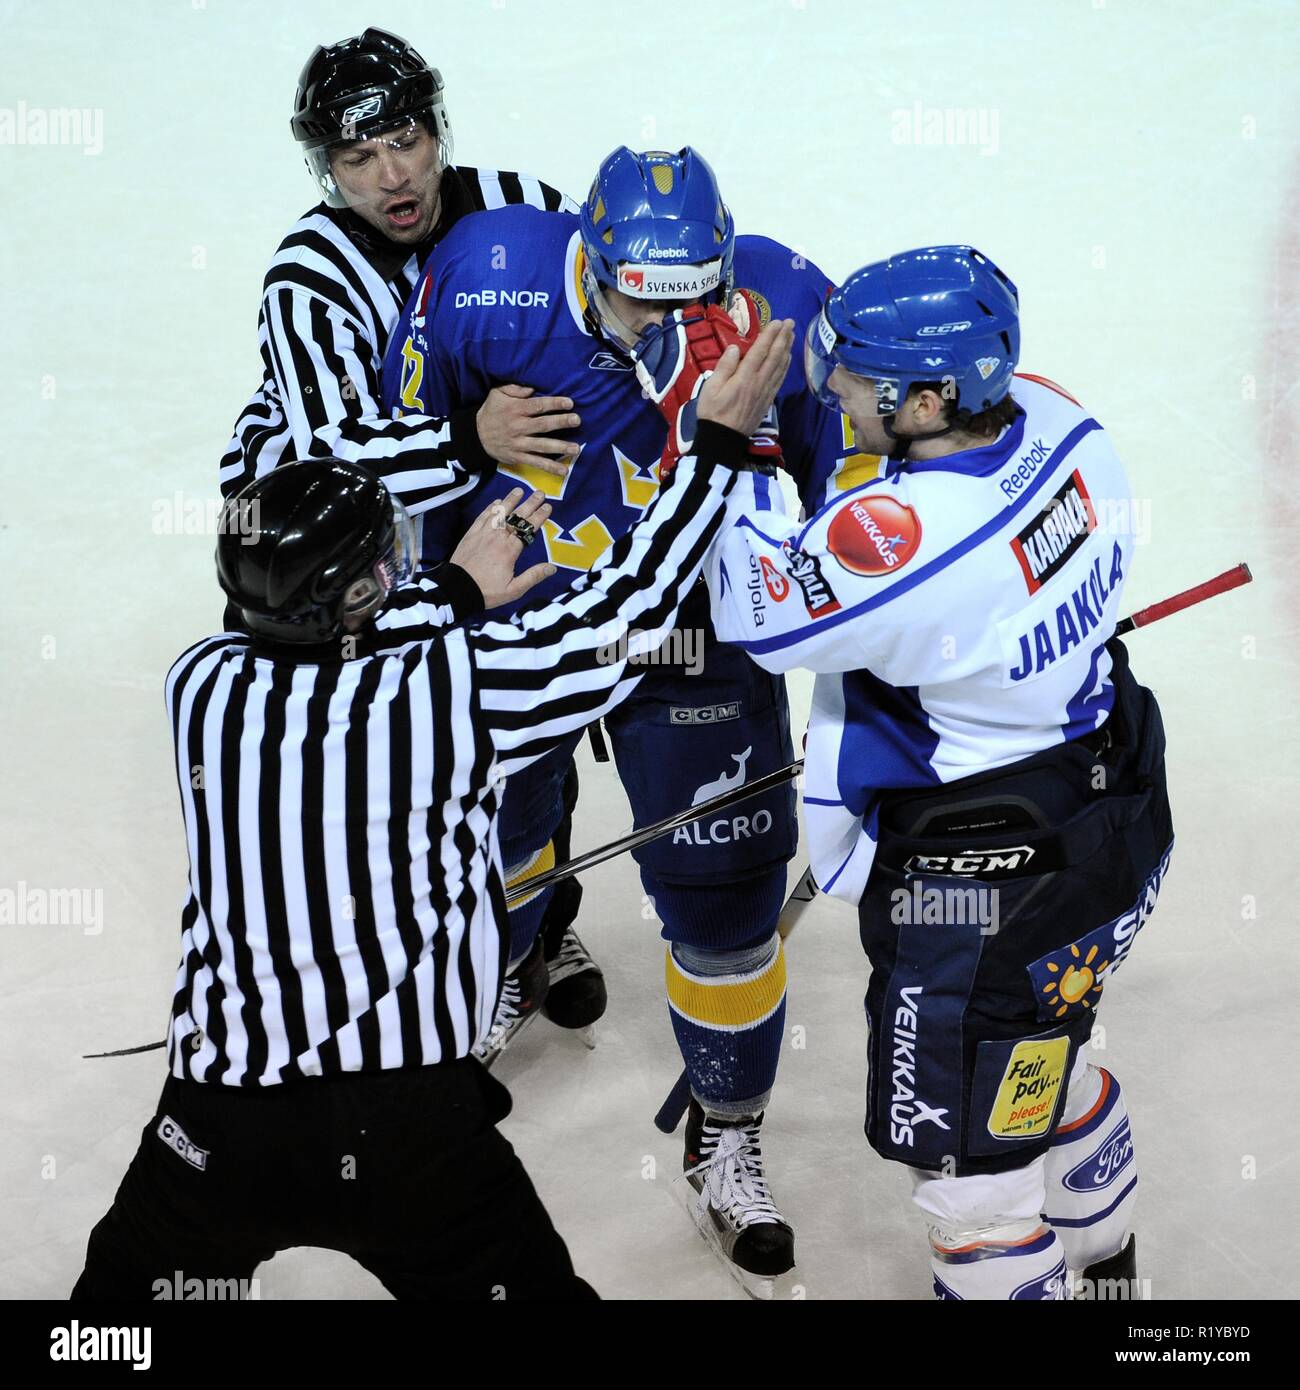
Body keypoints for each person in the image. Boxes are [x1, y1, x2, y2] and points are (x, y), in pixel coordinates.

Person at [70, 315, 797, 1301]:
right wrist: (713, 449)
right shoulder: (461, 691)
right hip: (408, 1130)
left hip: (216, 1120)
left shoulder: (198, 686)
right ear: (369, 587)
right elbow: (623, 610)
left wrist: (451, 586)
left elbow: (322, 645)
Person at [381, 145, 846, 1291]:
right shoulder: (481, 273)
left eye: (693, 300)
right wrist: (455, 470)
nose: (667, 327)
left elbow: (857, 500)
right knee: (497, 841)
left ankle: (725, 1133)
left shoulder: (783, 303)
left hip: (689, 639)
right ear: (588, 257)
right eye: (640, 296)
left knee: (727, 909)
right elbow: (390, 468)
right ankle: (522, 947)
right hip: (518, 619)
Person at [688, 246, 1174, 1300]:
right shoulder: (1057, 421)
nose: (833, 387)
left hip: (985, 882)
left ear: (925, 398)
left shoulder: (917, 543)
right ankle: (1111, 1275)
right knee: (1050, 1044)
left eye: (855, 376)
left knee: (970, 1184)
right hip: (1108, 811)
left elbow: (760, 613)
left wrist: (731, 442)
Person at [219, 26, 580, 521]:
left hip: (480, 475)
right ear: (330, 172)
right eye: (360, 158)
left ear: (436, 134)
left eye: (406, 142)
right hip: (304, 521)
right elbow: (333, 458)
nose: (392, 178)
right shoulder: (309, 278)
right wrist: (473, 436)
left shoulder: (526, 205)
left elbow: (607, 310)